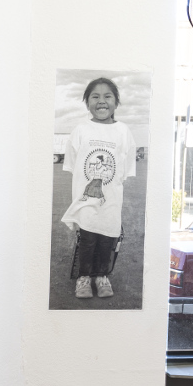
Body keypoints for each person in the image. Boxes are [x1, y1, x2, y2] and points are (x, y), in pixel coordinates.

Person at [61, 78, 136, 299]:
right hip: (85, 199)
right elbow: (74, 166)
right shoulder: (80, 130)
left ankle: (102, 277)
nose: (101, 101)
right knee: (87, 238)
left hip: (111, 200)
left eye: (107, 96)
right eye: (95, 96)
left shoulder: (123, 132)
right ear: (87, 103)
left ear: (116, 102)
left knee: (107, 239)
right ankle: (84, 278)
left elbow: (125, 169)